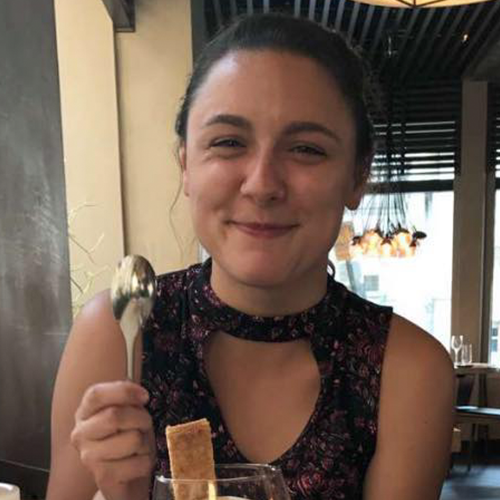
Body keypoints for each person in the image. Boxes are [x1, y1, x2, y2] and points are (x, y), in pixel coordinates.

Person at [46, 13, 455, 500]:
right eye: (228, 143)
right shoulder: (119, 335)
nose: (262, 184)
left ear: (357, 176)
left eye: (306, 149)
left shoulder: (406, 370)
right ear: (186, 164)